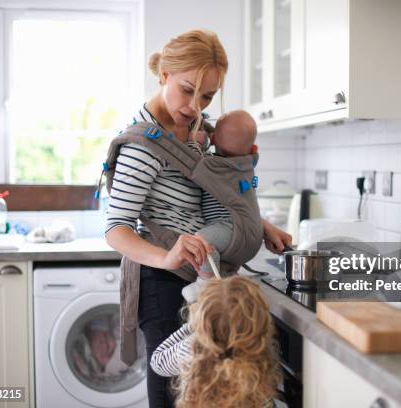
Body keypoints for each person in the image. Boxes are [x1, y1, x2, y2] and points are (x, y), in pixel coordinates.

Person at [104, 29, 291, 408]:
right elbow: (115, 229)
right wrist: (166, 256)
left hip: (201, 277)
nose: (194, 106)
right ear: (164, 75)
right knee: (175, 397)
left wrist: (258, 226)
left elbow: (215, 197)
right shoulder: (143, 146)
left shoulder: (198, 133)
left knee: (208, 394)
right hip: (162, 283)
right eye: (186, 90)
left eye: (206, 96)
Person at [150, 276, 280, 408]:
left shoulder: (191, 348)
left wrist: (191, 326)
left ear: (202, 320)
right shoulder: (259, 359)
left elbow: (157, 362)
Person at [181, 109, 258, 303]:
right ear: (253, 149)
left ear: (213, 139)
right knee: (203, 244)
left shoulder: (212, 165)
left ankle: (206, 285)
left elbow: (189, 163)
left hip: (228, 226)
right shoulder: (249, 163)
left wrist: (195, 143)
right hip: (250, 232)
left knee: (200, 243)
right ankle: (225, 278)